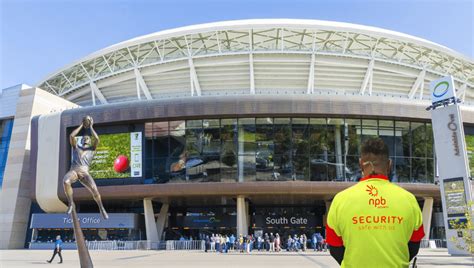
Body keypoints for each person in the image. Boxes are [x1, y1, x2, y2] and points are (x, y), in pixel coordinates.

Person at [326, 138, 424, 267]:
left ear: (361, 164)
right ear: (389, 164)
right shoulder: (409, 199)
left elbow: (334, 247)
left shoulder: (340, 199)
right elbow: (414, 245)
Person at [63, 116, 108, 220]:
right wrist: (82, 125)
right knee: (66, 181)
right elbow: (71, 136)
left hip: (84, 172)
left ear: (89, 141)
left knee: (94, 190)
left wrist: (91, 126)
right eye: (83, 138)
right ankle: (70, 204)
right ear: (81, 141)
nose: (85, 139)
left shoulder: (92, 149)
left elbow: (96, 139)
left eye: (87, 138)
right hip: (74, 170)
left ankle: (101, 208)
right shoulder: (76, 147)